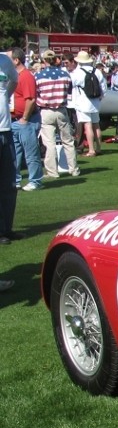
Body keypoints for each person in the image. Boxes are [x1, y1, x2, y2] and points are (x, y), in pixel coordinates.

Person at [34, 49, 79, 180]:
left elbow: (36, 94)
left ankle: (53, 172)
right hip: (61, 110)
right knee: (68, 141)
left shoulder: (38, 76)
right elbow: (69, 91)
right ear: (55, 59)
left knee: (49, 143)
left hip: (46, 110)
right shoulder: (65, 75)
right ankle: (74, 169)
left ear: (43, 60)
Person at [8, 48, 43, 191]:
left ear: (16, 60)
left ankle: (35, 180)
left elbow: (30, 99)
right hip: (14, 119)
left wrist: (24, 118)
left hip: (26, 120)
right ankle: (16, 180)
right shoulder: (14, 76)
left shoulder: (26, 76)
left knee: (31, 152)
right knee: (14, 154)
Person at [0, 50, 21, 271]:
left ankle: (7, 227)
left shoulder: (5, 61)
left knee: (9, 183)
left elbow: (12, 84)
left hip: (5, 129)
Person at [70, 50, 106, 157]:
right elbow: (103, 88)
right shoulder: (97, 71)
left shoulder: (77, 73)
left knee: (87, 126)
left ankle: (91, 150)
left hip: (83, 102)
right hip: (95, 102)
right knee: (96, 125)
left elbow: (71, 86)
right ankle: (98, 148)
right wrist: (100, 98)